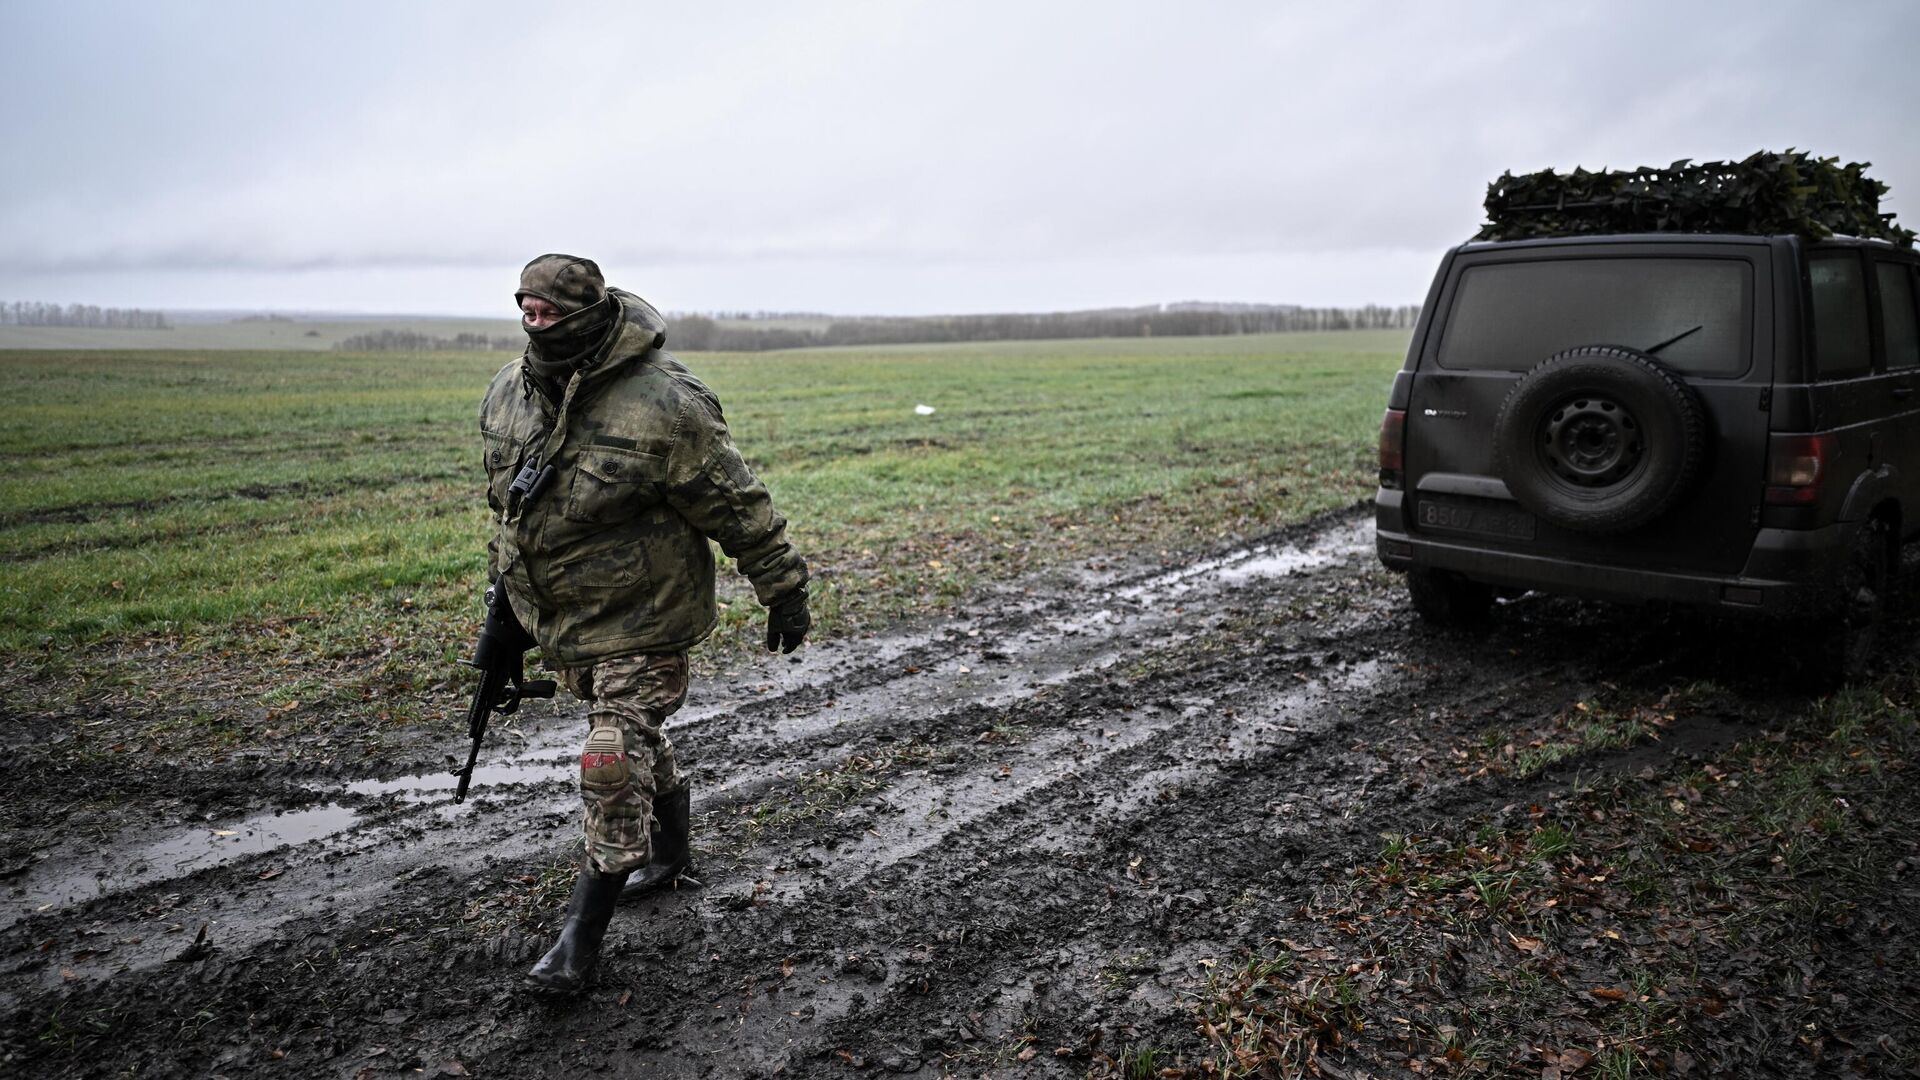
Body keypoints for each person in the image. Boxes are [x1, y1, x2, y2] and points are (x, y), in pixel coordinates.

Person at [480, 254, 811, 992]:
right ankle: (670, 854)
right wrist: (505, 616)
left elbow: (738, 506)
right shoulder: (509, 393)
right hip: (569, 617)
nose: (536, 326)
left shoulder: (666, 404)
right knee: (633, 737)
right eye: (525, 311)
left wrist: (783, 588)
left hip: (649, 616)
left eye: (551, 315)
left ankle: (577, 941)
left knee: (609, 760)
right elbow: (510, 514)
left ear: (590, 316)